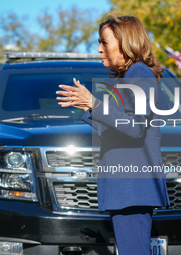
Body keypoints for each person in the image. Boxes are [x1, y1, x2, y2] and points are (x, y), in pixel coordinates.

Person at [56, 15, 170, 254]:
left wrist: (96, 104)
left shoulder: (139, 73)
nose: (99, 49)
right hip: (127, 189)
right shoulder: (129, 77)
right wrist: (89, 107)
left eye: (104, 42)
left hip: (132, 188)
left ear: (125, 42)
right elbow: (118, 130)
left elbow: (135, 127)